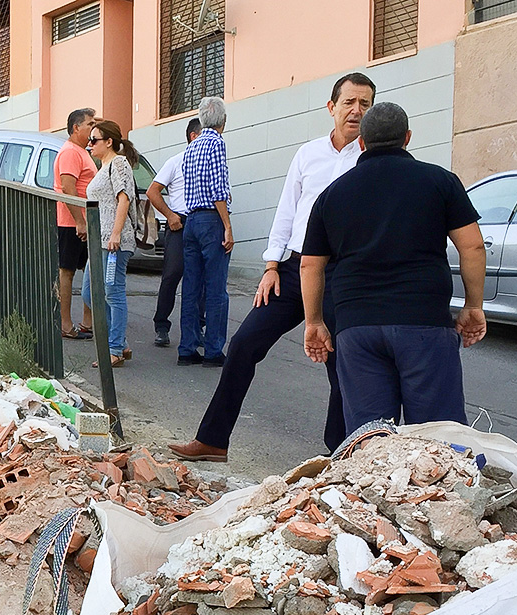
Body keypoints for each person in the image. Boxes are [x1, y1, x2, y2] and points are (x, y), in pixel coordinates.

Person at [169, 73, 375, 463]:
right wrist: (271, 266)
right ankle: (213, 440)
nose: (356, 111)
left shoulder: (371, 159)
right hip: (293, 271)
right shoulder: (308, 154)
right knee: (245, 343)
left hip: (341, 276)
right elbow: (287, 212)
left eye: (364, 104)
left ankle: (340, 456)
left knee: (341, 364)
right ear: (331, 108)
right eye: (349, 102)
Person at [301, 102, 487, 430]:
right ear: (408, 138)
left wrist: (314, 322)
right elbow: (472, 245)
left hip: (357, 328)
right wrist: (473, 305)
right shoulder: (440, 181)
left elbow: (310, 266)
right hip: (424, 324)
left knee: (370, 442)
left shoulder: (332, 195)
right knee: (437, 438)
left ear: (361, 142)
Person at [178, 96, 233, 367]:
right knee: (216, 288)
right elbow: (218, 189)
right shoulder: (217, 143)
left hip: (191, 220)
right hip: (212, 220)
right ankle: (213, 349)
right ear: (223, 120)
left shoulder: (191, 147)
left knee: (191, 286)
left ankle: (186, 348)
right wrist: (227, 226)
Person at [81, 120, 141, 368]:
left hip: (113, 242)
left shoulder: (118, 163)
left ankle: (114, 348)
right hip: (99, 242)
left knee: (112, 292)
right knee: (88, 291)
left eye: (94, 140)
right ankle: (119, 342)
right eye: (89, 140)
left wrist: (115, 234)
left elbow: (124, 199)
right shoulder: (103, 166)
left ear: (109, 142)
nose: (89, 145)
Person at [147, 117, 204, 348]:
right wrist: (170, 215)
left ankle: (197, 326)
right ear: (193, 136)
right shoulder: (176, 161)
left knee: (201, 278)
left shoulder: (210, 163)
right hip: (179, 223)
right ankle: (161, 325)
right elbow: (153, 191)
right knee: (172, 275)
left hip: (202, 221)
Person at [53, 108, 97, 341]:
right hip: (72, 222)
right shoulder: (71, 152)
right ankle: (66, 323)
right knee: (67, 271)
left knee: (89, 269)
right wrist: (80, 221)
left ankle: (87, 321)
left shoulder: (82, 151)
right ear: (76, 128)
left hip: (82, 221)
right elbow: (67, 187)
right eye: (89, 124)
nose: (93, 128)